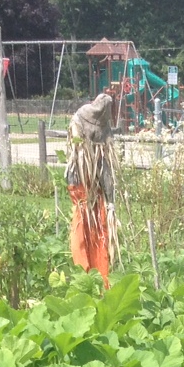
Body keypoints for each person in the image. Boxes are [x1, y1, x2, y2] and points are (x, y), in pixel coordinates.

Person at [66, 92, 118, 283]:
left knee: (95, 233)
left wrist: (110, 201)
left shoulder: (85, 120)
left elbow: (105, 169)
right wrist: (110, 200)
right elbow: (103, 170)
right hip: (83, 188)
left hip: (92, 191)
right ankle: (86, 276)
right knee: (85, 233)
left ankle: (97, 278)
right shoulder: (82, 120)